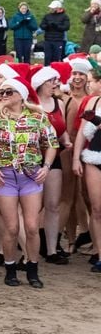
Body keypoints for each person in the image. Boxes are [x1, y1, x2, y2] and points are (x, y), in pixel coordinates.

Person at [0, 76, 58, 287]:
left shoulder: (37, 117)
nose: (3, 96)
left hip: (31, 176)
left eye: (8, 92)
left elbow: (52, 143)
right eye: (1, 92)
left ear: (21, 95)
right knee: (11, 227)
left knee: (32, 226)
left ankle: (33, 269)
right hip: (5, 177)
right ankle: (10, 268)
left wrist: (46, 167)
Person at [31, 64, 73, 265]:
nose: (55, 84)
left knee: (53, 204)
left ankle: (51, 249)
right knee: (33, 205)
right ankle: (29, 247)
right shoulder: (30, 104)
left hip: (53, 156)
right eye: (51, 81)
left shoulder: (59, 104)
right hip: (32, 157)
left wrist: (67, 140)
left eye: (56, 81)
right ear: (41, 84)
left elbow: (61, 129)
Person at [72, 64, 101, 274]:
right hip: (94, 156)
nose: (89, 85)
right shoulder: (93, 101)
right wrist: (76, 159)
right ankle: (100, 254)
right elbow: (82, 132)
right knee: (97, 209)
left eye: (91, 81)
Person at [40, 0, 70, 65]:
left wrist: (57, 26)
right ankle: (47, 69)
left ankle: (55, 69)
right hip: (48, 40)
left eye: (53, 8)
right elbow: (42, 25)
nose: (51, 9)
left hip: (58, 40)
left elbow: (66, 27)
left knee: (56, 57)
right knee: (47, 57)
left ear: (58, 8)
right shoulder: (47, 16)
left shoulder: (64, 16)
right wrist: (47, 26)